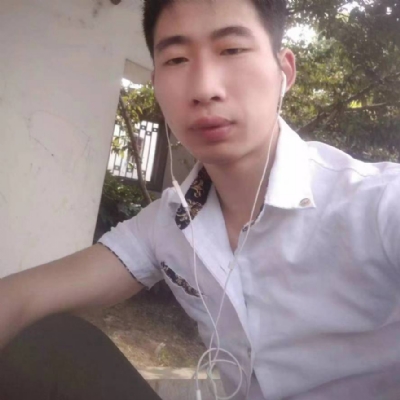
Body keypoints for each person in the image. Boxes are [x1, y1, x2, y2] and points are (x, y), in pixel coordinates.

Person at [1, 0, 400, 399]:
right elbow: (23, 300)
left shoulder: (377, 204)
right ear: (156, 84)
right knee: (52, 347)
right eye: (176, 59)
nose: (205, 88)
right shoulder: (168, 224)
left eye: (232, 49)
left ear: (284, 72)